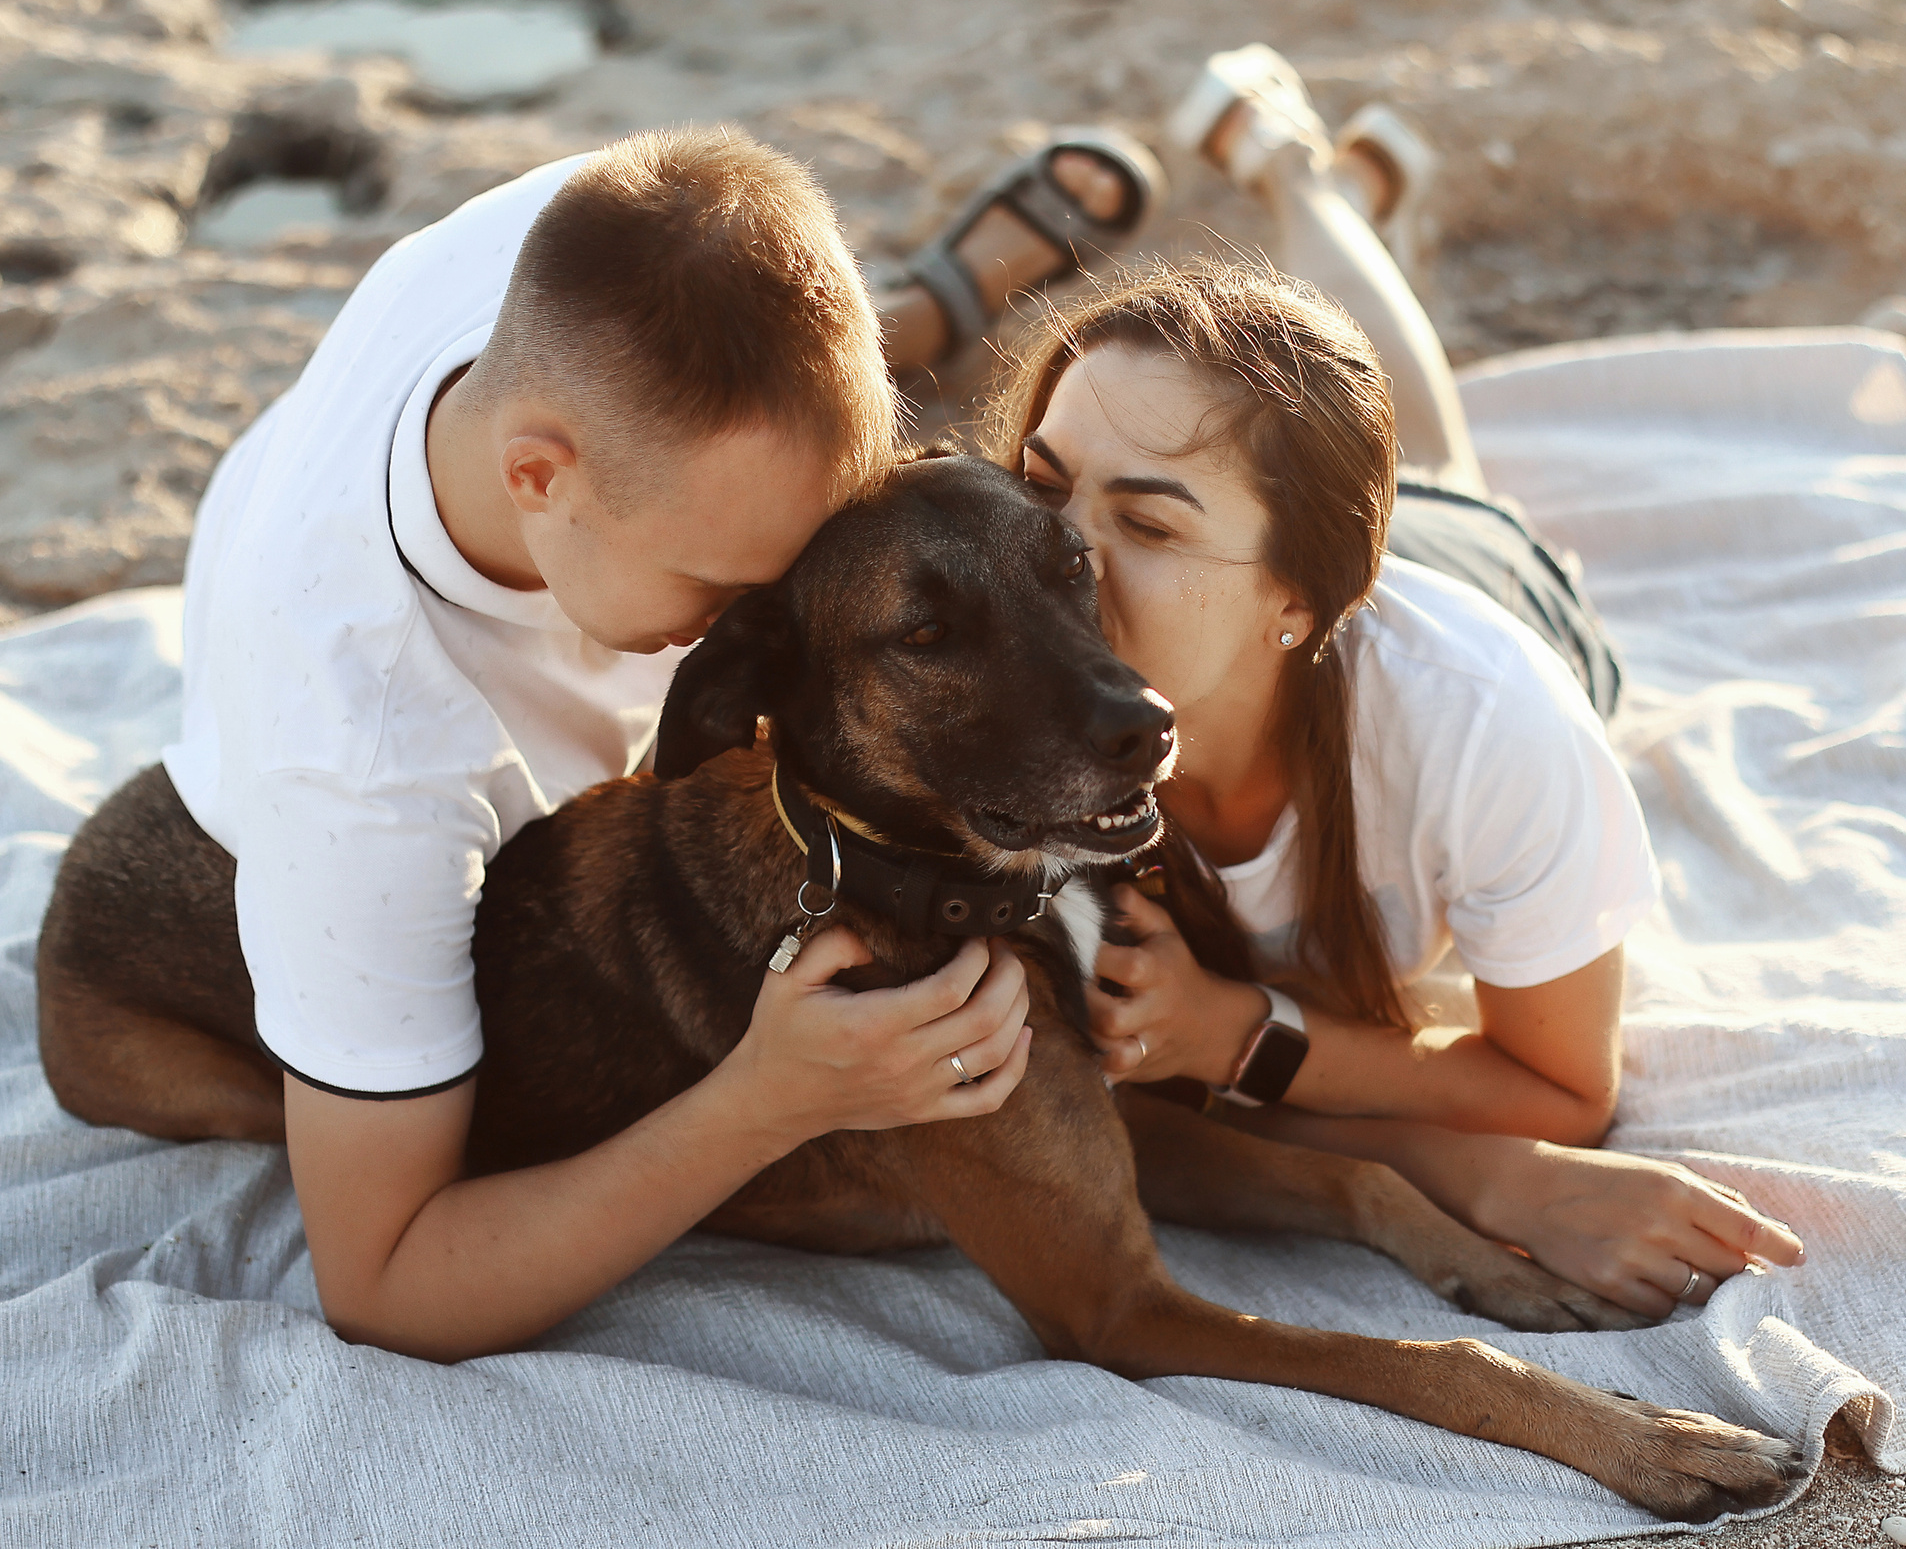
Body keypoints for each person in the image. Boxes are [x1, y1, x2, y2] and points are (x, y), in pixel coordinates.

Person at [129, 123, 1149, 1362]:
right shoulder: (367, 775)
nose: (771, 629)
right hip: (301, 689)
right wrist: (767, 1101)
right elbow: (384, 1283)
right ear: (543, 480)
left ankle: (917, 310)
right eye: (724, 587)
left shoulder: (592, 225)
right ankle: (939, 302)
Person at [985, 47, 1808, 1319]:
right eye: (1044, 488)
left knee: (1445, 468)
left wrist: (1242, 1036)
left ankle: (1302, 176)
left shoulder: (1482, 722)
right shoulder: (983, 676)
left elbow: (1562, 1089)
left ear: (1297, 596)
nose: (1058, 556)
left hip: (1457, 578)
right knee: (1368, 428)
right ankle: (1324, 201)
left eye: (1145, 526)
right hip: (1306, 562)